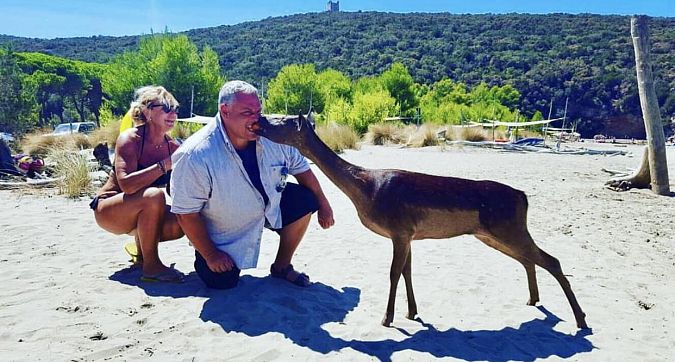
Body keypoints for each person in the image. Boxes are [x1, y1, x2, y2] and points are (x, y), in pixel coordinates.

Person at [170, 80, 334, 289]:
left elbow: (303, 171)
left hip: (269, 206)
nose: (256, 118)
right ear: (224, 110)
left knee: (306, 199)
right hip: (224, 230)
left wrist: (324, 204)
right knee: (222, 281)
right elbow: (186, 214)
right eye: (247, 112)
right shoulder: (195, 155)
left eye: (258, 110)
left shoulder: (274, 136)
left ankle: (282, 266)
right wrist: (211, 255)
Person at [90, 85, 184, 283]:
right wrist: (165, 164)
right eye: (166, 108)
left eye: (175, 109)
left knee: (182, 220)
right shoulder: (130, 139)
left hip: (138, 210)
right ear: (147, 111)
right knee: (153, 196)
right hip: (109, 209)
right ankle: (151, 266)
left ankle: (141, 253)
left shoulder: (173, 146)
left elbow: (175, 190)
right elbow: (127, 185)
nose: (173, 114)